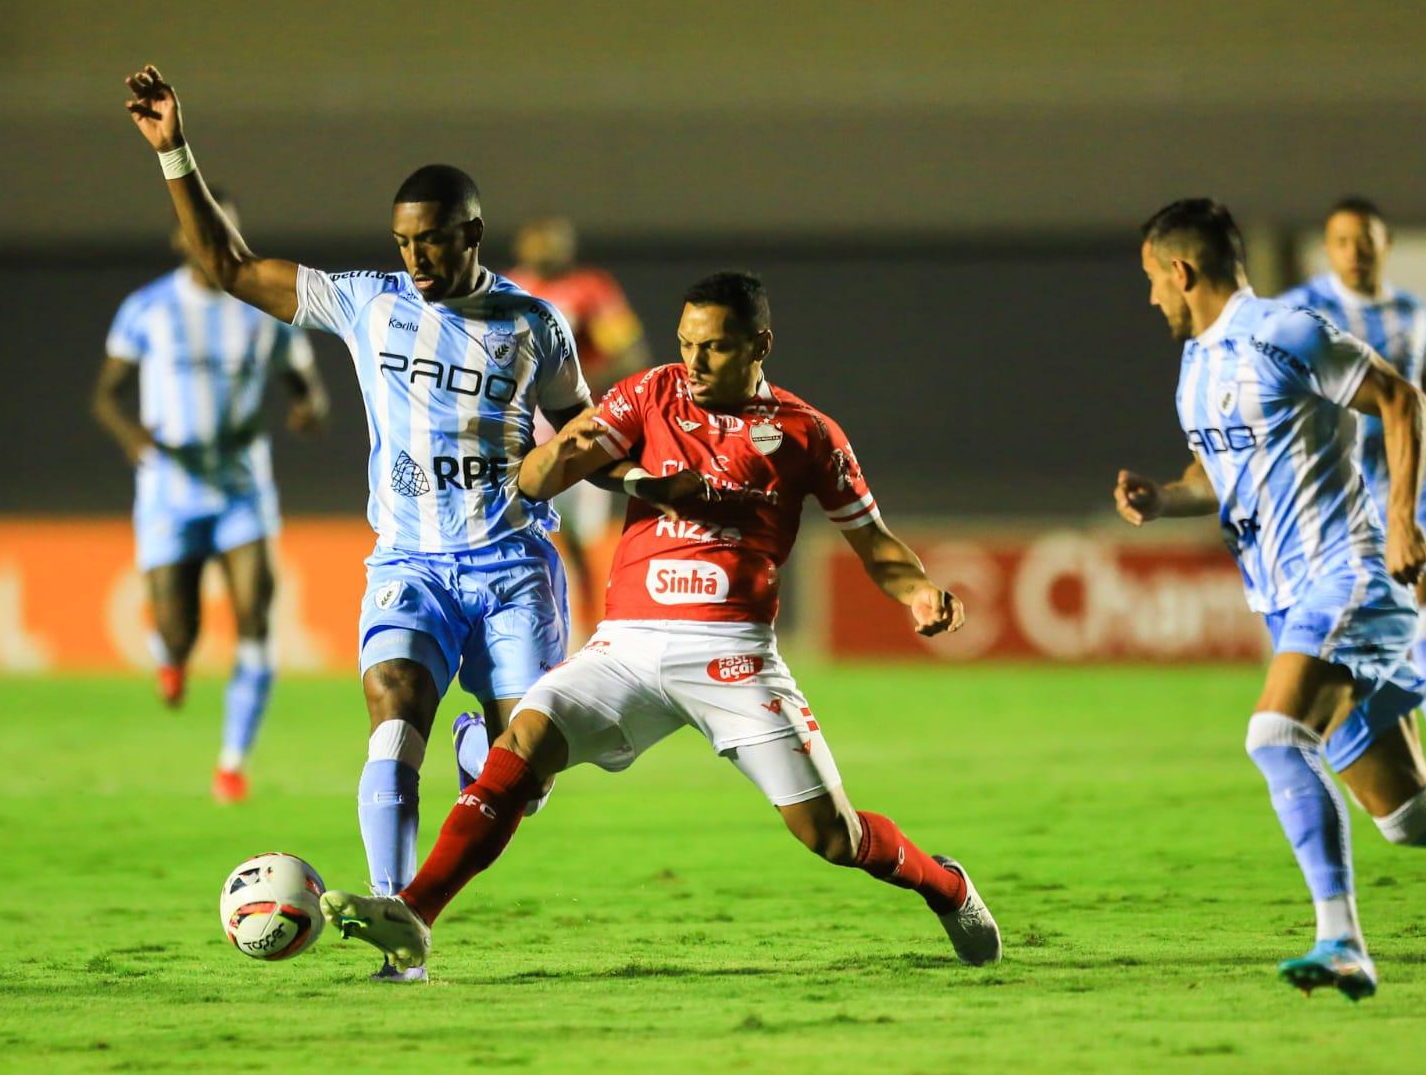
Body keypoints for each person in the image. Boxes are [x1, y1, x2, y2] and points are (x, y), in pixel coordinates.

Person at [319, 272, 1002, 972]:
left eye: (714, 348)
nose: (695, 363)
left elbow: (874, 540)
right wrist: (581, 453)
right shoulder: (650, 393)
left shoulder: (807, 433)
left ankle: (945, 885)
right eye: (685, 344)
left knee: (831, 834)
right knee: (522, 739)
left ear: (760, 344)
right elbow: (539, 475)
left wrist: (917, 591)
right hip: (627, 648)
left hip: (732, 656)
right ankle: (415, 916)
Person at [122, 64, 593, 981]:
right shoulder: (367, 300)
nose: (414, 260)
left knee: (522, 781)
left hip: (511, 565)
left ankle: (481, 760)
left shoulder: (533, 324)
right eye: (402, 243)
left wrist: (614, 470)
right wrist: (174, 149)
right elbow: (226, 265)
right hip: (410, 564)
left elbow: (585, 426)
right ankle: (399, 927)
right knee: (391, 720)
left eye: (431, 244)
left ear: (472, 237)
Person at [1113, 198, 1426, 1001]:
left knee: (1273, 733)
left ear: (1182, 272)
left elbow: (1401, 399)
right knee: (1415, 817)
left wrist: (1402, 518)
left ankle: (1341, 941)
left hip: (1351, 573)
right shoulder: (1196, 365)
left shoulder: (1285, 331)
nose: (1150, 297)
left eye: (1153, 279)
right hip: (1291, 602)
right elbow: (1209, 478)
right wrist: (1161, 497)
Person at [89, 190, 327, 803]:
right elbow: (105, 396)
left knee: (255, 617)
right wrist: (133, 435)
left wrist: (308, 409)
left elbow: (308, 388)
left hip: (243, 490)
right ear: (181, 238)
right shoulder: (147, 309)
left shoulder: (261, 310)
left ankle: (231, 762)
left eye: (226, 231)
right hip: (169, 492)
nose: (216, 241)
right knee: (178, 629)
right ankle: (169, 656)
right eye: (205, 230)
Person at [1279, 198, 1426, 782]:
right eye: (1343, 240)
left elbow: (1425, 374)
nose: (1356, 251)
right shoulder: (1300, 309)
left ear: (1385, 245)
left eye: (1366, 240)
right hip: (1336, 497)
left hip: (1411, 489)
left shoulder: (1411, 313)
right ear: (1328, 247)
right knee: (1345, 633)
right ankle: (1350, 757)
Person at [500, 216, 649, 635]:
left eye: (555, 241)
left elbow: (629, 352)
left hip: (576, 428)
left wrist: (569, 381)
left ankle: (593, 630)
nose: (547, 249)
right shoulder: (506, 288)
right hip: (517, 434)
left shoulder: (590, 290)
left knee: (580, 541)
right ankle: (529, 628)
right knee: (516, 535)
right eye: (539, 240)